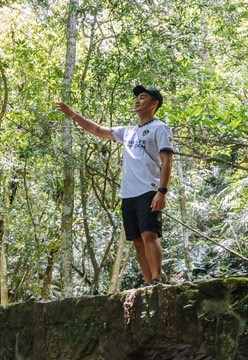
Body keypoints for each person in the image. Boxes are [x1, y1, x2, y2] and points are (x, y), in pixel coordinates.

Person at [55, 85, 174, 286]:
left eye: (143, 97)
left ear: (154, 104)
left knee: (148, 234)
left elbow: (167, 160)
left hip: (149, 189)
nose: (137, 100)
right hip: (128, 194)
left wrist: (161, 192)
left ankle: (156, 279)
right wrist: (74, 115)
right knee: (137, 240)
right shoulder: (127, 131)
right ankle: (147, 283)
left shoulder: (159, 128)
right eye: (136, 97)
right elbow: (97, 130)